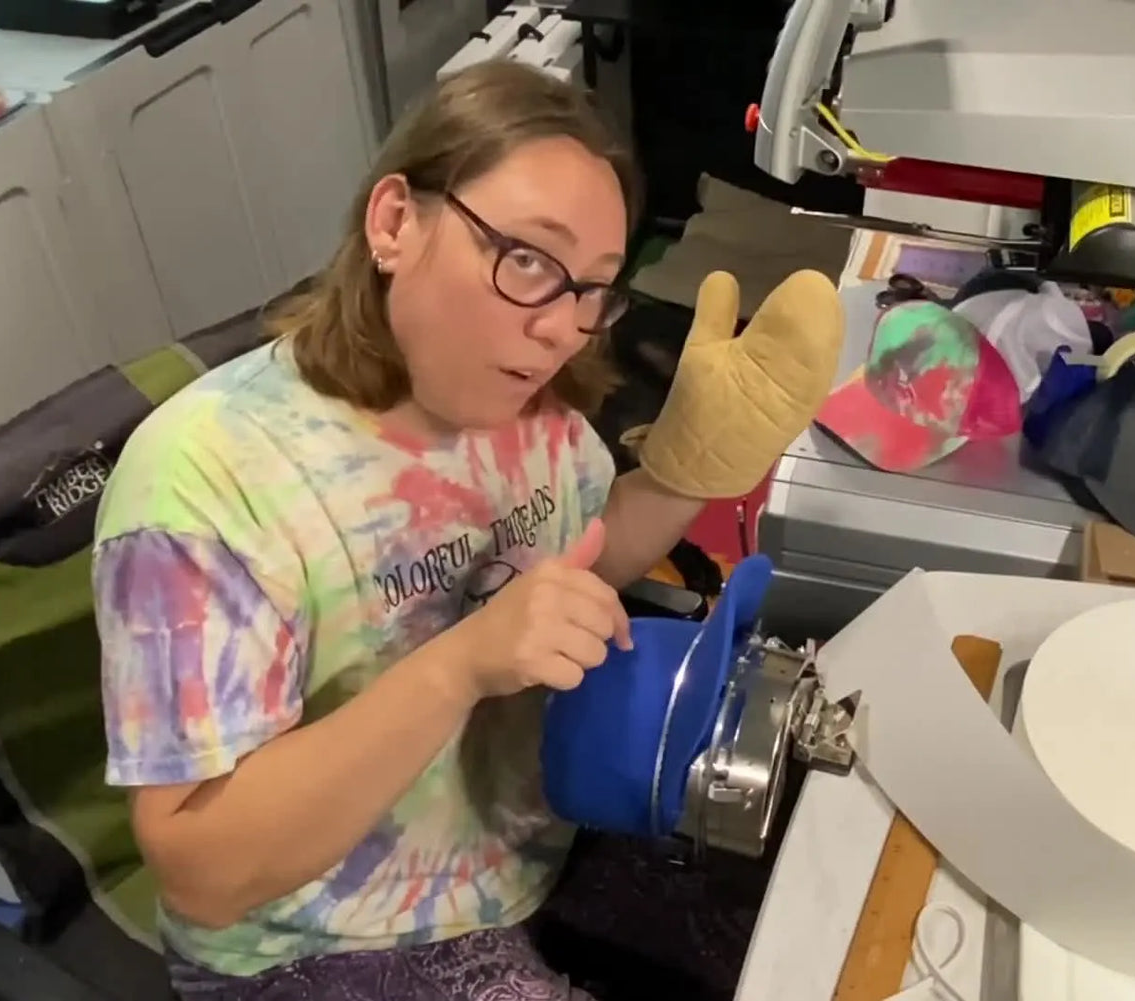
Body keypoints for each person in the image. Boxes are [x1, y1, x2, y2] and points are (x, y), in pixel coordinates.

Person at [92, 62, 843, 1000]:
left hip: (530, 838)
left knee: (829, 923)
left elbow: (573, 574)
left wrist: (686, 474)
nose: (560, 329)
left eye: (591, 290)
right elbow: (203, 868)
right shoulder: (207, 479)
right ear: (395, 222)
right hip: (319, 937)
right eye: (527, 258)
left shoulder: (539, 413)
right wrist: (458, 666)